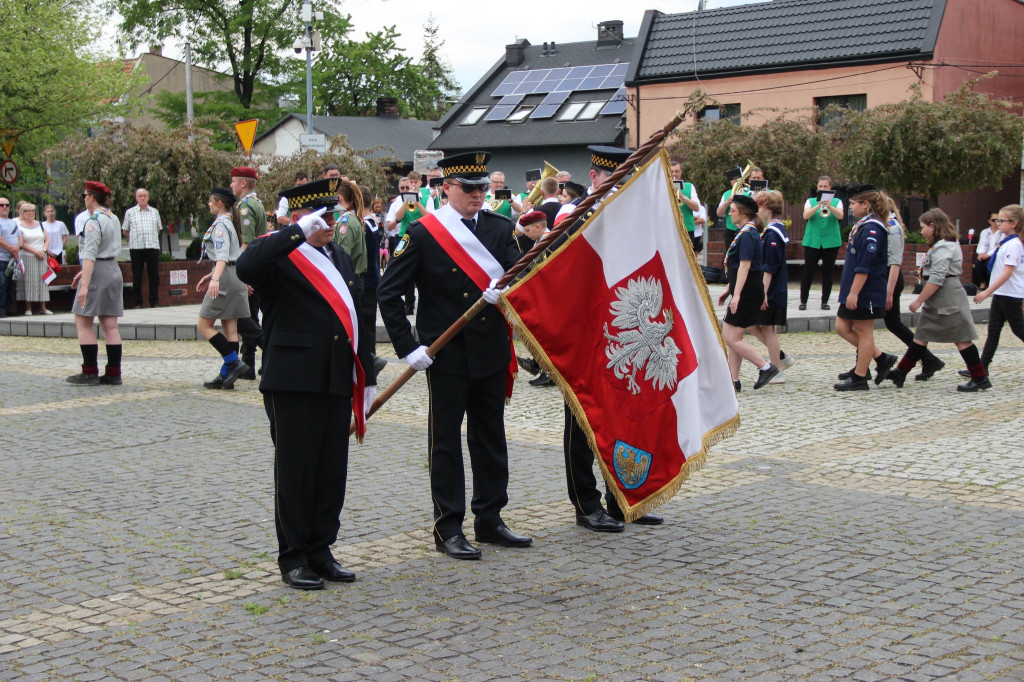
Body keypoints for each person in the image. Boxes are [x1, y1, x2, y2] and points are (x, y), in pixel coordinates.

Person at [377, 151, 533, 560]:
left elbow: (521, 276)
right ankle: (448, 526)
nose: (479, 195)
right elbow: (389, 293)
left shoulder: (500, 229)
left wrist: (508, 291)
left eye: (483, 188)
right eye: (469, 189)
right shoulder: (425, 232)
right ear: (446, 189)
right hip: (445, 353)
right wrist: (409, 348)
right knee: (445, 442)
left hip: (490, 349)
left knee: (490, 437)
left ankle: (490, 519)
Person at [236, 178, 375, 590]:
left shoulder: (338, 255)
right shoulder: (281, 252)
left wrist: (363, 373)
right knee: (296, 471)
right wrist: (295, 232)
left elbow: (356, 317)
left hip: (334, 374)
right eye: (321, 216)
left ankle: (320, 548)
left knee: (331, 470)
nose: (330, 222)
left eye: (332, 214)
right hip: (293, 378)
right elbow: (246, 266)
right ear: (299, 216)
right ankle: (293, 556)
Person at [559, 145, 664, 530]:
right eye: (613, 179)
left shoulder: (634, 217)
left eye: (627, 180)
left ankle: (623, 499)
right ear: (595, 178)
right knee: (584, 420)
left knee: (625, 418)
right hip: (584, 333)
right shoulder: (573, 215)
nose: (620, 187)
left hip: (625, 332)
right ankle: (585, 505)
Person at [886, 208, 989, 392]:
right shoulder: (943, 244)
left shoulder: (945, 246)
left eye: (923, 227)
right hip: (940, 296)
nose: (921, 231)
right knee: (921, 336)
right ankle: (900, 372)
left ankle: (980, 377)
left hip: (947, 296)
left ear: (933, 226)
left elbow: (937, 278)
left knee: (962, 338)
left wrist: (919, 300)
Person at [833, 184, 896, 391]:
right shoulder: (864, 225)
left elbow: (865, 265)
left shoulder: (872, 229)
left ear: (865, 204)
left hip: (865, 290)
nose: (850, 207)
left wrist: (854, 292)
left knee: (864, 332)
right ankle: (881, 358)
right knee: (842, 327)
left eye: (852, 203)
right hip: (853, 286)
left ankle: (860, 376)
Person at [717, 194, 778, 391]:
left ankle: (765, 367)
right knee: (735, 338)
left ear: (743, 213)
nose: (730, 213)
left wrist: (736, 295)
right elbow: (737, 269)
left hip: (747, 293)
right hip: (745, 290)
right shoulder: (746, 232)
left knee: (730, 337)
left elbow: (745, 267)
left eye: (732, 210)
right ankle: (733, 380)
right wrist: (729, 289)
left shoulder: (747, 235)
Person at [879, 197, 944, 382]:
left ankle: (928, 358)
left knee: (891, 323)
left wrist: (889, 290)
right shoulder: (885, 223)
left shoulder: (891, 225)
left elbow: (895, 260)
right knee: (891, 323)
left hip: (890, 278)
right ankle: (929, 359)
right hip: (886, 278)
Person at [66, 182, 124, 386]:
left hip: (98, 271)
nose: (84, 199)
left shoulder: (93, 221)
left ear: (91, 197)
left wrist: (84, 285)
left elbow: (90, 254)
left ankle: (89, 370)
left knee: (82, 321)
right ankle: (114, 372)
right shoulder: (113, 217)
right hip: (113, 269)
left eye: (85, 195)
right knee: (110, 325)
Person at [195, 187, 251, 389]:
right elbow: (230, 255)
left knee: (204, 325)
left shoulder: (220, 226)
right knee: (230, 328)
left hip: (226, 277)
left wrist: (215, 280)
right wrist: (212, 275)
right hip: (234, 274)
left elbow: (221, 256)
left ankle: (233, 362)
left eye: (211, 201)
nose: (208, 204)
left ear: (219, 203)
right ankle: (227, 376)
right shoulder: (230, 223)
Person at [970, 203, 1024, 377]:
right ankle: (982, 367)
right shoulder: (1005, 242)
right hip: (1002, 293)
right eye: (997, 220)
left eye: (1001, 220)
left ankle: (982, 366)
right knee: (993, 330)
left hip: (1010, 294)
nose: (998, 223)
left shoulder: (1014, 244)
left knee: (1019, 330)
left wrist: (986, 291)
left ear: (1014, 223)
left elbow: (1007, 273)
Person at [750, 190, 791, 383]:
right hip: (770, 288)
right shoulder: (771, 231)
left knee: (768, 328)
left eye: (758, 206)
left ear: (768, 208)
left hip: (772, 289)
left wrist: (763, 293)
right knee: (755, 323)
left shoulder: (773, 234)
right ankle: (781, 357)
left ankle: (777, 368)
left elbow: (769, 267)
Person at [231, 166, 267, 380]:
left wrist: (242, 274)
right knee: (250, 315)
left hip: (251, 266)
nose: (231, 185)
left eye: (234, 181)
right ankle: (248, 365)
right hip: (260, 264)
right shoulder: (257, 203)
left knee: (247, 317)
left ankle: (266, 352)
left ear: (243, 183)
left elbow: (248, 241)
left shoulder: (245, 207)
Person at [800, 175, 843, 311]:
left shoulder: (837, 202)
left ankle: (825, 301)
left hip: (831, 241)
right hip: (813, 241)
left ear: (830, 188)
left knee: (828, 272)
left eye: (825, 187)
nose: (823, 189)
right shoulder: (810, 201)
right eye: (820, 187)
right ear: (817, 188)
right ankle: (803, 301)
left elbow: (840, 216)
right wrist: (819, 204)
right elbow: (806, 216)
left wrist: (830, 206)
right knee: (808, 271)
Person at [359, 185, 387, 379]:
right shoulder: (372, 222)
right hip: (372, 279)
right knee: (367, 324)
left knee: (365, 325)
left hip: (367, 280)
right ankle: (370, 361)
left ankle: (369, 364)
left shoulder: (365, 225)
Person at [122, 188, 162, 308]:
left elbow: (158, 229)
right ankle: (138, 302)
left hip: (152, 246)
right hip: (136, 247)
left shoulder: (155, 212)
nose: (143, 198)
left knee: (154, 275)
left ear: (148, 198)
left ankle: (154, 301)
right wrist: (133, 238)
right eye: (140, 196)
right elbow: (125, 230)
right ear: (136, 198)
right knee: (137, 275)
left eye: (145, 196)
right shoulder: (130, 212)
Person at [15, 203, 51, 315]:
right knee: (28, 281)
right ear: (23, 213)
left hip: (41, 256)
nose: (31, 213)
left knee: (43, 281)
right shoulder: (19, 226)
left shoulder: (40, 224)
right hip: (28, 256)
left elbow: (47, 239)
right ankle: (28, 308)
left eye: (33, 211)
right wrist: (35, 252)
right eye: (28, 211)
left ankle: (43, 307)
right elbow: (22, 243)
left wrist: (43, 250)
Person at [717, 166, 763, 237]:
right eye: (733, 179)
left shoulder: (748, 192)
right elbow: (719, 213)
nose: (736, 181)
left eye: (738, 179)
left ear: (743, 180)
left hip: (750, 229)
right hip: (731, 230)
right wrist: (728, 201)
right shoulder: (726, 194)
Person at [671, 160, 702, 252]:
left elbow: (696, 208)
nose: (674, 174)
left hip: (687, 229)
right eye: (671, 171)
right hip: (670, 230)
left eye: (676, 171)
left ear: (681, 172)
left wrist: (682, 197)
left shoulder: (689, 186)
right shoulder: (662, 186)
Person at [972, 211, 1000, 290]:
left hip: (995, 254)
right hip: (984, 254)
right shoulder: (984, 232)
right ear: (989, 221)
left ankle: (991, 284)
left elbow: (998, 246)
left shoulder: (1002, 232)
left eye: (998, 220)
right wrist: (981, 254)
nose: (995, 222)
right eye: (993, 220)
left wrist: (988, 255)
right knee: (978, 263)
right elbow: (982, 244)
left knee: (989, 263)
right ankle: (983, 282)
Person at [0, 198, 18, 317]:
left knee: (12, 285)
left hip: (13, 259)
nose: (5, 207)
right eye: (1, 205)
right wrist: (12, 248)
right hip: (1, 258)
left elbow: (20, 238)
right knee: (2, 284)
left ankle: (9, 308)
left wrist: (18, 248)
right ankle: (1, 310)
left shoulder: (13, 222)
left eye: (7, 205)